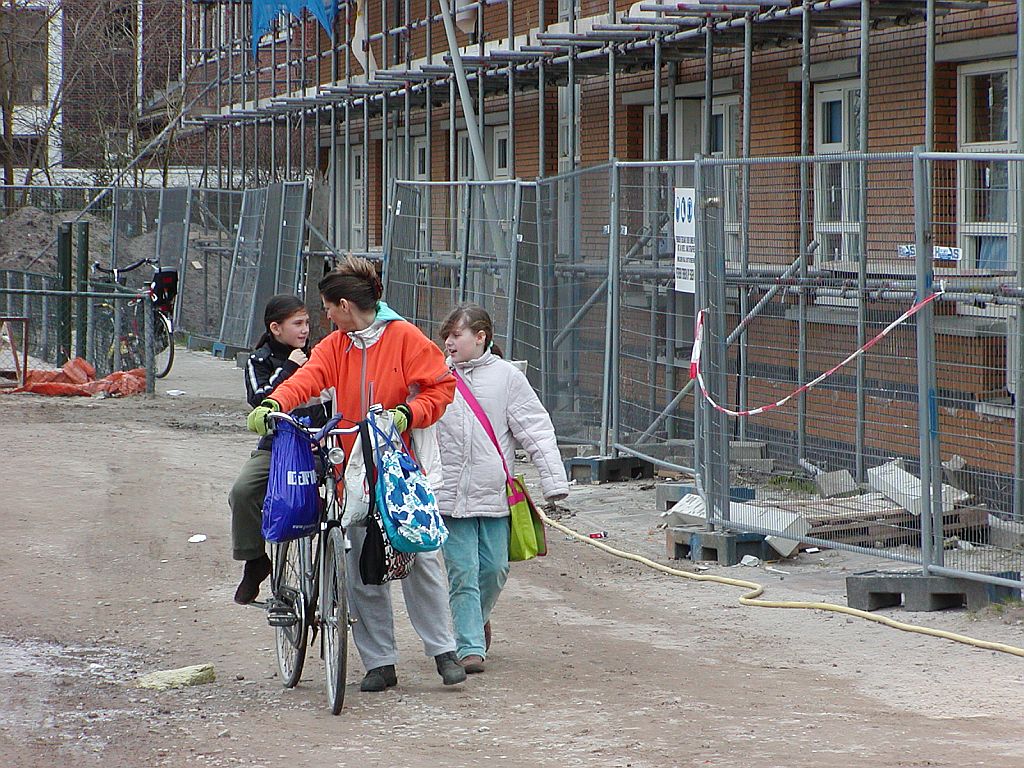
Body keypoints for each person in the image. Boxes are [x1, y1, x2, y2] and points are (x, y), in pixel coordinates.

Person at [245, 255, 467, 691]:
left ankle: (444, 650)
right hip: (352, 466)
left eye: (327, 307)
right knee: (357, 556)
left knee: (420, 554)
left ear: (345, 305)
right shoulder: (336, 345)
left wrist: (410, 413)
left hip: (401, 467)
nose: (323, 316)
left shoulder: (404, 337)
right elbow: (307, 378)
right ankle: (379, 661)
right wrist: (276, 403)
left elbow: (443, 387)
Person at [436, 304, 569, 673]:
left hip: (494, 495)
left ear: (481, 337)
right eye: (446, 335)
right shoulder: (436, 376)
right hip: (449, 498)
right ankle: (469, 646)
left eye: (456, 334)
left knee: (494, 569)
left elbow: (535, 429)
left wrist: (554, 483)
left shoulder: (508, 378)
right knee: (462, 571)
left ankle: (475, 621)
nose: (449, 341)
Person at [229, 294, 329, 605]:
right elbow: (259, 401)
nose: (304, 330)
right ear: (276, 328)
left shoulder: (320, 357)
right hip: (275, 446)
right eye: (297, 324)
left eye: (307, 323)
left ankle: (334, 573)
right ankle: (255, 560)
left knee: (333, 499)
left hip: (316, 446)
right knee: (243, 492)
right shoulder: (258, 361)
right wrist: (288, 368)